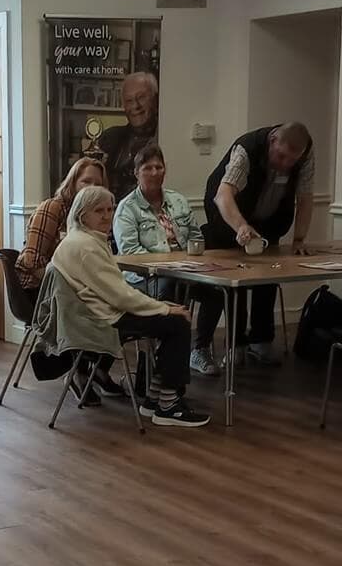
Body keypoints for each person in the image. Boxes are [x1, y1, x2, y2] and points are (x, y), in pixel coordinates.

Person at [52, 185, 210, 427]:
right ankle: (168, 406)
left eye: (109, 209)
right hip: (101, 320)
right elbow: (120, 296)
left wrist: (158, 306)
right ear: (83, 215)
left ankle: (154, 399)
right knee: (177, 322)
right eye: (99, 210)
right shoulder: (87, 247)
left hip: (90, 315)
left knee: (171, 319)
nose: (107, 215)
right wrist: (164, 308)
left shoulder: (79, 239)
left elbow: (117, 293)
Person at [196, 122, 314, 365]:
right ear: (272, 141)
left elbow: (305, 197)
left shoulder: (306, 155)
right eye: (280, 156)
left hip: (269, 219)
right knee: (235, 278)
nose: (284, 164)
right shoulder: (246, 149)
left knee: (267, 273)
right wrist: (240, 226)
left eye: (291, 160)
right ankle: (235, 344)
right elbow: (223, 195)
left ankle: (261, 342)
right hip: (228, 214)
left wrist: (299, 238)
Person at [113, 143, 226, 376]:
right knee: (168, 287)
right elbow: (130, 253)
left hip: (185, 271)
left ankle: (199, 350)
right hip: (142, 277)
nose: (155, 172)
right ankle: (164, 358)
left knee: (215, 292)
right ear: (136, 172)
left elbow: (196, 236)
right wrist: (169, 263)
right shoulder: (127, 208)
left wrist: (193, 257)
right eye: (148, 168)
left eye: (159, 167)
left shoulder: (178, 200)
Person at [15, 157, 106, 293]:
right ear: (73, 183)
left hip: (75, 284)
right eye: (86, 182)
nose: (92, 188)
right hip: (39, 287)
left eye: (98, 184)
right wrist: (71, 284)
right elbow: (31, 261)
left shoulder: (90, 215)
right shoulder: (53, 207)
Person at [93, 71, 159, 200]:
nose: (135, 106)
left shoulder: (165, 136)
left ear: (155, 100)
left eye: (141, 97)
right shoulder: (109, 138)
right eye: (129, 100)